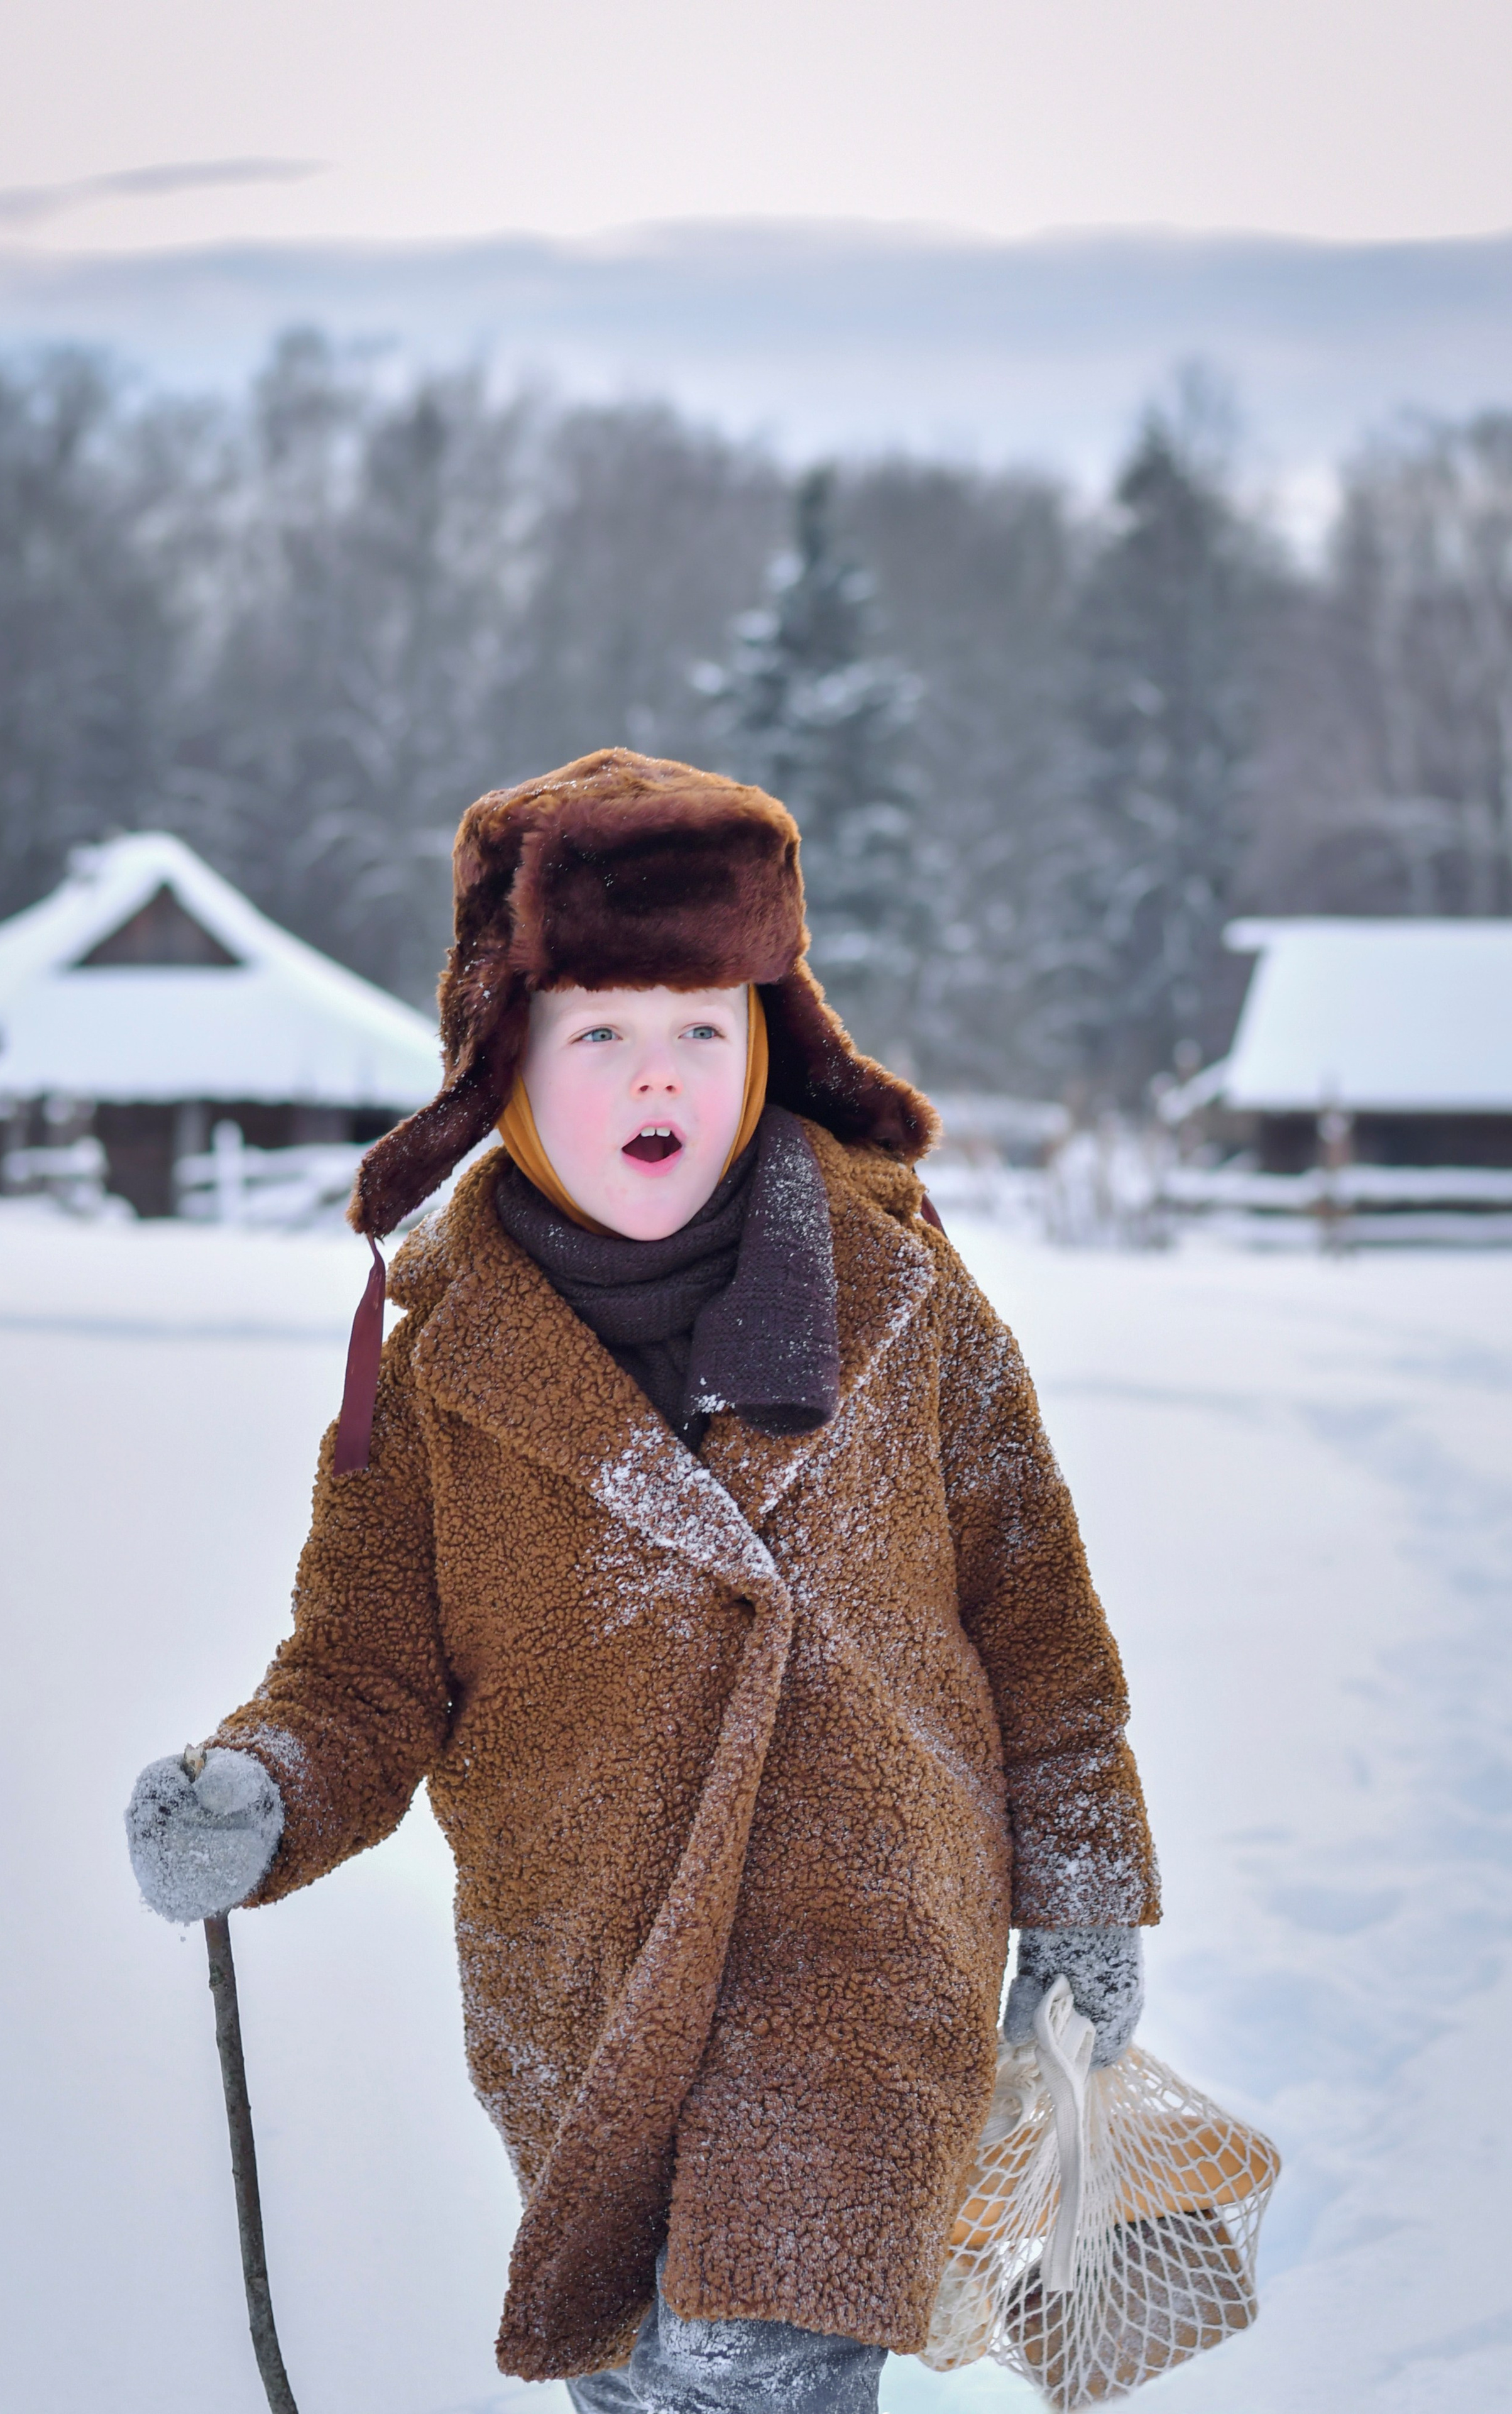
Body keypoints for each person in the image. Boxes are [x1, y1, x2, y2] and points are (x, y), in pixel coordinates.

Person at [126, 748, 1158, 2412]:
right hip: (583, 1996)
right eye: (600, 1030)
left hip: (864, 1969)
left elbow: (1034, 1618)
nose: (655, 1070)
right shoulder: (430, 1355)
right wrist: (260, 1786)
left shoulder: (904, 1296)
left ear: (773, 1044)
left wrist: (1089, 1885)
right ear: (502, 1062)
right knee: (642, 2369)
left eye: (703, 1026)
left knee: (751, 2364)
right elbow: (364, 1669)